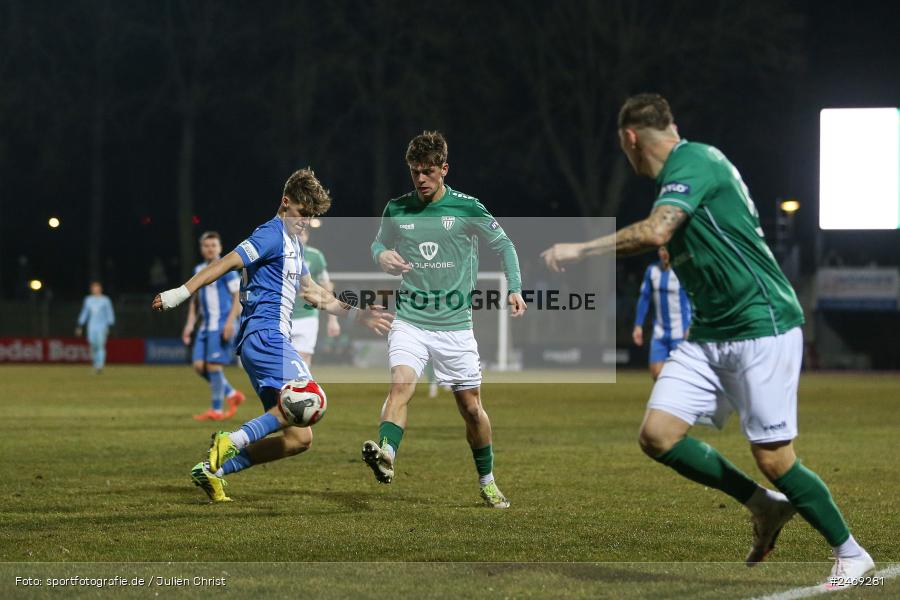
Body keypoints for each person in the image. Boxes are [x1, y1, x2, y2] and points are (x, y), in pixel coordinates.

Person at [540, 94, 873, 587]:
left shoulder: (694, 160)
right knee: (658, 435)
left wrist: (582, 248)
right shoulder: (683, 178)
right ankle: (763, 505)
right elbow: (684, 239)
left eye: (624, 146)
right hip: (710, 334)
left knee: (775, 458)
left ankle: (852, 553)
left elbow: (656, 232)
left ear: (629, 139)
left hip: (763, 327)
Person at [153, 168, 392, 503]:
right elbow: (226, 263)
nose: (306, 220)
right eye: (302, 212)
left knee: (299, 438)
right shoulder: (271, 233)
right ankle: (232, 440)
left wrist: (359, 314)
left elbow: (313, 293)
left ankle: (212, 470)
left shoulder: (293, 245)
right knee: (314, 400)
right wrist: (182, 292)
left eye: (312, 216)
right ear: (285, 201)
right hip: (265, 337)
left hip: (267, 341)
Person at [361, 131, 527, 508]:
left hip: (455, 327)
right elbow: (377, 243)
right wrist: (381, 256)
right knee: (400, 386)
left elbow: (504, 245)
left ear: (444, 169)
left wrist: (515, 287)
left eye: (428, 172)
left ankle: (487, 480)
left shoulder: (467, 207)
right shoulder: (397, 209)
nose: (420, 179)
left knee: (471, 409)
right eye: (415, 172)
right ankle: (387, 452)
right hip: (411, 319)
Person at [182, 231, 246, 421]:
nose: (210, 249)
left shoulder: (226, 270)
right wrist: (189, 325)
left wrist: (229, 323)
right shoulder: (199, 269)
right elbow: (195, 301)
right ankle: (232, 394)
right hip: (205, 326)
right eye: (206, 246)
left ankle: (216, 410)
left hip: (221, 325)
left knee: (213, 366)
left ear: (219, 248)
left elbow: (238, 297)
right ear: (202, 249)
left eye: (213, 246)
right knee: (199, 366)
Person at [633, 246, 692, 380]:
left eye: (667, 249)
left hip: (680, 333)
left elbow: (692, 299)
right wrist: (638, 325)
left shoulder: (681, 271)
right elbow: (644, 298)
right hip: (659, 332)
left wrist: (690, 324)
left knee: (679, 377)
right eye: (661, 250)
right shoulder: (652, 270)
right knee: (656, 374)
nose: (664, 253)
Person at [290, 227, 341, 366]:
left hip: (307, 314)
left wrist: (333, 320)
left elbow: (327, 287)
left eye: (303, 234)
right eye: (296, 234)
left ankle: (302, 387)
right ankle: (286, 387)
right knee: (284, 360)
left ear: (307, 236)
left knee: (303, 358)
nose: (300, 237)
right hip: (282, 314)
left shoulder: (315, 256)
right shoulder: (279, 255)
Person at [75, 281, 115, 373]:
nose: (95, 290)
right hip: (91, 327)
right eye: (93, 288)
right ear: (91, 290)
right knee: (93, 346)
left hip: (102, 326)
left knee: (100, 345)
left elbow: (109, 313)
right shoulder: (88, 300)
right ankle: (95, 364)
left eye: (97, 288)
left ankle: (99, 365)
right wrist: (80, 325)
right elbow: (84, 313)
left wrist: (111, 325)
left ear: (100, 289)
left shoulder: (106, 300)